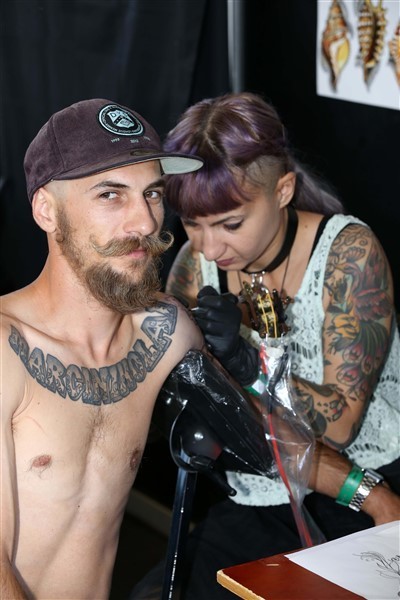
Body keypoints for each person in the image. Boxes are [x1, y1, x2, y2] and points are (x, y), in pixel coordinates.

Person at [132, 92, 400, 599]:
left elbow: (339, 427)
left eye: (230, 224)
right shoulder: (195, 266)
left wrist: (245, 363)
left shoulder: (347, 255)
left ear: (283, 191)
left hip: (368, 480)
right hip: (261, 488)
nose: (209, 246)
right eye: (191, 223)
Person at [0, 98, 209, 599]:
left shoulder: (167, 332)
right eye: (111, 194)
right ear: (47, 210)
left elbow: (264, 438)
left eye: (152, 193)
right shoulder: (5, 350)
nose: (146, 222)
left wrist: (369, 495)